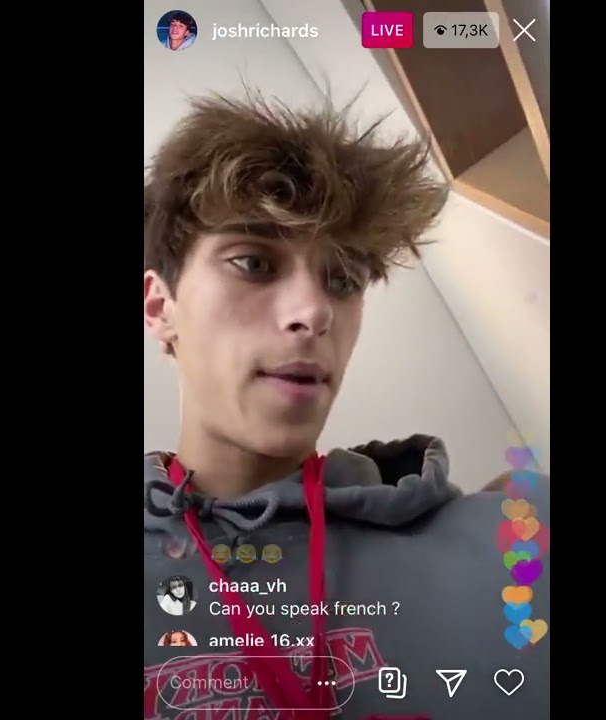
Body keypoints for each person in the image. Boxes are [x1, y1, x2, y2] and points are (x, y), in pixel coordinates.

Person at [142, 93, 550, 719]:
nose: (314, 311)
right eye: (253, 262)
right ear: (159, 308)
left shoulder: (519, 537)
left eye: (344, 280)